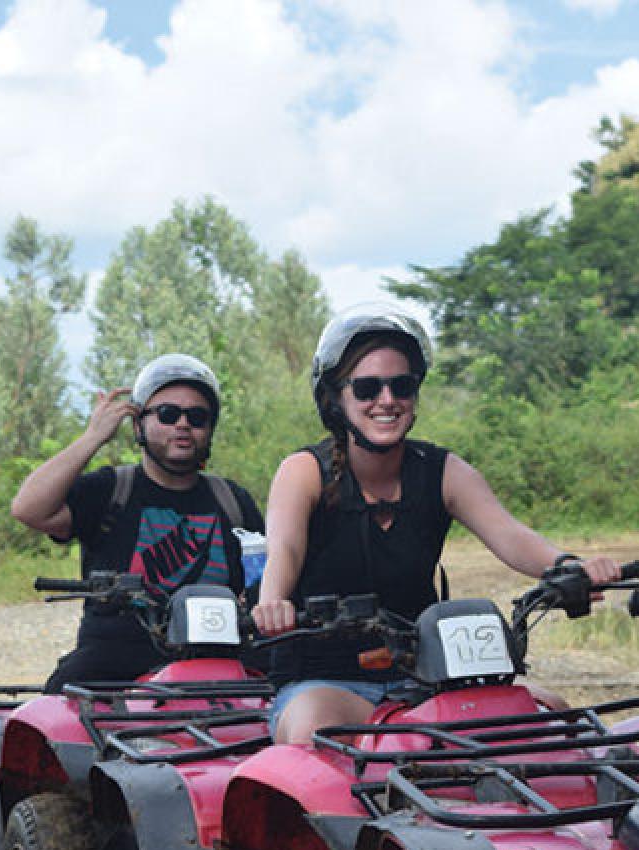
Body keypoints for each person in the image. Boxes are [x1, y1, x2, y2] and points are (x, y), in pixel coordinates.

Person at [251, 305, 617, 744]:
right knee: (317, 729)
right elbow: (284, 549)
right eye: (367, 388)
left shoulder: (440, 470)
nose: (386, 400)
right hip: (327, 680)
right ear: (336, 399)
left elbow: (510, 534)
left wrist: (567, 566)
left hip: (428, 678)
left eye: (401, 386)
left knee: (550, 712)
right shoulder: (304, 471)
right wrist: (273, 601)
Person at [10, 353, 263, 691]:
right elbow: (28, 508)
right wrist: (93, 437)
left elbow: (265, 572)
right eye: (168, 414)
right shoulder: (111, 489)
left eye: (197, 417)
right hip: (114, 655)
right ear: (138, 425)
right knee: (60, 706)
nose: (183, 424)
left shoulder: (232, 500)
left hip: (220, 654)